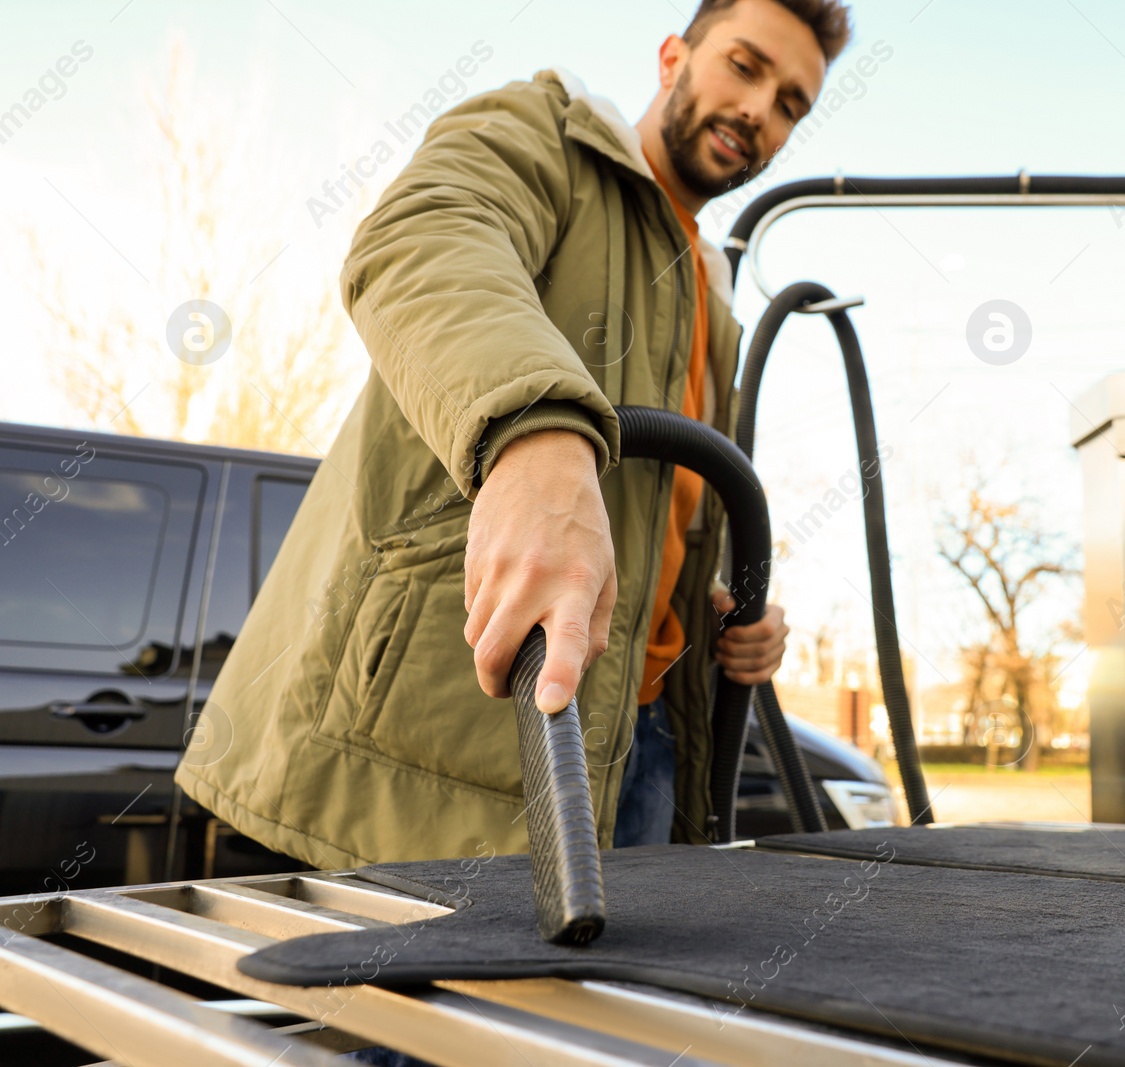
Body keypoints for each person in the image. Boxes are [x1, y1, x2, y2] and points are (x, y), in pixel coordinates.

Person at [176, 0, 854, 864]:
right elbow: (426, 236)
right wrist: (534, 437)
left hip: (639, 750)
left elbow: (655, 526)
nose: (762, 110)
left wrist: (724, 614)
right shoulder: (547, 134)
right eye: (746, 66)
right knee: (383, 1004)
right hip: (444, 744)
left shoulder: (712, 303)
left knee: (588, 1005)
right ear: (673, 56)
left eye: (792, 103)